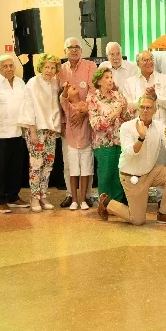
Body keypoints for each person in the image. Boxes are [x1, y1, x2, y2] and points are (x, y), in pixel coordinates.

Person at [96, 95, 166, 226]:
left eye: (149, 107)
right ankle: (107, 202)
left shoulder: (160, 126)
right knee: (138, 220)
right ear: (138, 109)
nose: (145, 110)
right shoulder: (127, 126)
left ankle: (164, 214)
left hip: (150, 172)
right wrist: (141, 137)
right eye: (142, 107)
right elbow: (130, 152)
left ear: (155, 110)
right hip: (132, 176)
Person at [0, 54, 30, 214]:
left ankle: (13, 197)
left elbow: (25, 105)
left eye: (11, 65)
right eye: (5, 66)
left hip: (17, 133)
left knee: (15, 168)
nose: (9, 69)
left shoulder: (20, 83)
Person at [18, 54, 63, 213]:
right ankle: (34, 197)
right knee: (36, 165)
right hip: (36, 129)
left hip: (51, 129)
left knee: (48, 164)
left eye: (52, 68)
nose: (49, 70)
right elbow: (28, 106)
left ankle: (43, 195)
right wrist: (32, 130)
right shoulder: (33, 82)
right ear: (41, 67)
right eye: (46, 67)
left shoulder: (55, 84)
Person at [57, 37, 98, 208]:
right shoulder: (61, 70)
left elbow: (93, 93)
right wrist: (62, 122)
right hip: (68, 123)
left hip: (87, 121)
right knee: (69, 162)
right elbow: (59, 96)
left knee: (87, 162)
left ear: (81, 50)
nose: (74, 50)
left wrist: (83, 112)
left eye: (77, 47)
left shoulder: (90, 66)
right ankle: (70, 195)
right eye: (70, 47)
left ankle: (85, 196)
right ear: (65, 51)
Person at [87, 66, 133, 209]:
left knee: (118, 175)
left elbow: (127, 118)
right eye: (106, 78)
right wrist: (112, 116)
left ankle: (117, 206)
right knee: (106, 174)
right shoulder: (93, 99)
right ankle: (104, 205)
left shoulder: (118, 96)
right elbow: (96, 124)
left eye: (111, 77)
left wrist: (124, 111)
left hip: (119, 140)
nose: (110, 80)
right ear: (98, 81)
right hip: (103, 143)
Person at [61, 78, 93, 210]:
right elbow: (62, 99)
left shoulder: (85, 104)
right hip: (72, 143)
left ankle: (83, 199)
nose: (74, 87)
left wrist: (84, 112)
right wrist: (65, 89)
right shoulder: (68, 106)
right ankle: (74, 200)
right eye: (71, 88)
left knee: (86, 172)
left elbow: (91, 110)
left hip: (86, 142)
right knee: (73, 172)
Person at [123, 51, 166, 123]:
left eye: (151, 59)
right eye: (145, 60)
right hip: (138, 126)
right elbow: (127, 108)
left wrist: (156, 97)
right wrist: (143, 98)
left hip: (162, 126)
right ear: (138, 64)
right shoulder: (129, 82)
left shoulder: (165, 79)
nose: (149, 62)